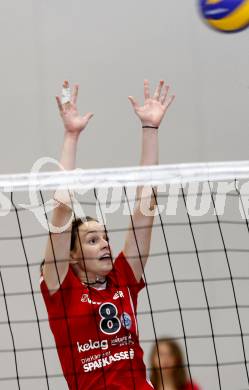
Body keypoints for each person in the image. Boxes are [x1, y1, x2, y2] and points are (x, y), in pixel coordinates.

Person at [40, 79, 175, 389]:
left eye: (104, 238)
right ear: (72, 255)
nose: (104, 244)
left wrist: (150, 130)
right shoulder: (61, 290)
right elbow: (61, 209)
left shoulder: (123, 278)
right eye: (92, 240)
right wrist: (71, 135)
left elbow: (146, 206)